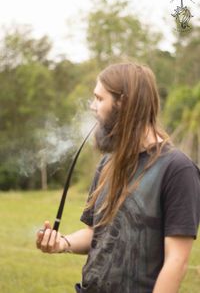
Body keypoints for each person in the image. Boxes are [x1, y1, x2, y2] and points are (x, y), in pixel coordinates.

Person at [36, 62, 200, 293]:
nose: (93, 107)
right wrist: (63, 243)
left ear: (123, 102)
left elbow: (177, 261)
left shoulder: (177, 169)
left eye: (99, 99)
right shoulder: (108, 163)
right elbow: (97, 233)